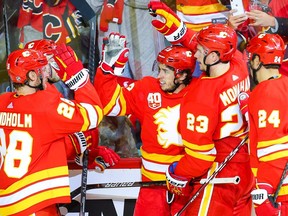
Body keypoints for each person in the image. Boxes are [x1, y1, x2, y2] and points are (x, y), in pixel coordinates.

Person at [148, 2, 254, 215]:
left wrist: (176, 173)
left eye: (199, 51)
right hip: (246, 168)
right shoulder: (239, 64)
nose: (194, 55)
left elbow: (200, 157)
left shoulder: (200, 96)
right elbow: (214, 43)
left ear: (213, 57)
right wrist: (178, 29)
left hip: (220, 175)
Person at [93, 33, 196, 215]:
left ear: (181, 75)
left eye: (165, 71)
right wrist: (107, 71)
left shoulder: (201, 92)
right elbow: (109, 105)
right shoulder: (148, 88)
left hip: (190, 184)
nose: (159, 76)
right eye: (160, 69)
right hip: (152, 186)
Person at [0, 44, 103, 215]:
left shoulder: (3, 102)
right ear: (32, 76)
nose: (47, 73)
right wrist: (79, 78)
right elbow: (94, 115)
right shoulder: (47, 107)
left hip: (7, 202)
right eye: (42, 69)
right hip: (33, 203)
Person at [246, 33, 288, 216]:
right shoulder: (285, 83)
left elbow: (272, 149)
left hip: (281, 192)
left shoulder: (263, 93)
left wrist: (264, 187)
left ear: (257, 60)